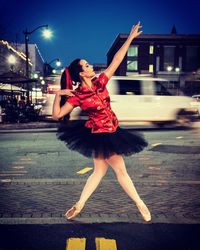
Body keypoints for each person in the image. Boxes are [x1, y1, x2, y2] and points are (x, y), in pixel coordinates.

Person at [52, 22, 151, 222]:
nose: (91, 67)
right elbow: (57, 115)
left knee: (98, 172)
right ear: (81, 73)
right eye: (87, 65)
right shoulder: (77, 95)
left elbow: (117, 60)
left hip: (111, 130)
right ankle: (141, 205)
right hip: (102, 135)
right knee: (121, 171)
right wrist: (59, 94)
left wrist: (130, 38)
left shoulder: (101, 81)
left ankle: (79, 205)